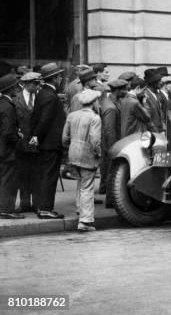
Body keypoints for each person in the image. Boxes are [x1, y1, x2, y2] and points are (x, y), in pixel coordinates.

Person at [30, 62, 67, 219]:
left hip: (46, 143)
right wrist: (36, 136)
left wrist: (36, 137)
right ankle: (45, 209)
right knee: (49, 176)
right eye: (59, 76)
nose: (60, 79)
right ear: (54, 78)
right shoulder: (50, 96)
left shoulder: (42, 93)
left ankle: (42, 207)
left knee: (45, 175)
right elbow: (44, 120)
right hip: (51, 144)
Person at [62, 89, 102, 232]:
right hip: (87, 155)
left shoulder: (72, 115)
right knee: (87, 187)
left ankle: (80, 209)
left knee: (81, 182)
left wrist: (72, 147)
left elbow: (65, 138)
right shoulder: (95, 118)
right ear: (93, 102)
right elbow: (95, 140)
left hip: (73, 154)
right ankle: (85, 221)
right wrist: (98, 153)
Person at [13, 71, 42, 213]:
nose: (37, 86)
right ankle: (24, 202)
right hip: (21, 143)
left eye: (38, 83)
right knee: (23, 173)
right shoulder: (15, 99)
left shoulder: (40, 98)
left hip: (37, 142)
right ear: (25, 84)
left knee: (37, 173)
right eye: (34, 84)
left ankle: (37, 203)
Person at [0, 74, 25, 219]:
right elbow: (8, 132)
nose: (18, 88)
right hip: (8, 151)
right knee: (9, 181)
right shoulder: (8, 107)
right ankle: (6, 209)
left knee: (3, 180)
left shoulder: (2, 104)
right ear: (11, 89)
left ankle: (4, 208)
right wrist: (18, 139)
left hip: (2, 149)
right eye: (16, 86)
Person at [100, 79, 128, 203]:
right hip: (112, 144)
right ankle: (111, 200)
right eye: (124, 89)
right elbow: (109, 130)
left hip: (114, 143)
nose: (126, 92)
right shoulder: (110, 107)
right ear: (117, 90)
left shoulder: (113, 102)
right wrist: (114, 149)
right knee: (112, 171)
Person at [143, 68, 165, 132]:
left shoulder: (157, 94)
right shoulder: (145, 96)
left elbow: (161, 114)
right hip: (152, 133)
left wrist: (163, 129)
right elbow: (147, 118)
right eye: (159, 80)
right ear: (153, 82)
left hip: (160, 131)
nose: (161, 83)